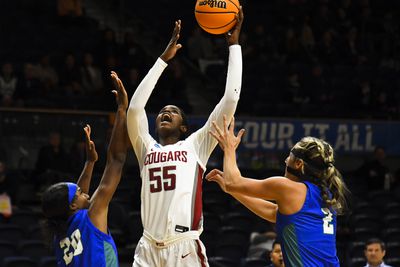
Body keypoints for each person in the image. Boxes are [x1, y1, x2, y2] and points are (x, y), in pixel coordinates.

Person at [126, 8, 243, 267]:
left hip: (184, 249)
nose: (166, 112)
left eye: (174, 112)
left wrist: (234, 46)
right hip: (147, 248)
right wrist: (162, 61)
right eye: (163, 111)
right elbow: (134, 109)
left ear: (184, 128)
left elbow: (231, 98)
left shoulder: (196, 145)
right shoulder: (145, 147)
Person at [206, 116, 349, 266]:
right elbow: (274, 213)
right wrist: (234, 191)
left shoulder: (288, 188)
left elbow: (232, 181)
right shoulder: (326, 192)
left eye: (290, 156)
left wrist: (229, 148)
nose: (286, 160)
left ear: (299, 164)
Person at [41, 71, 129, 267]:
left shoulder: (60, 236)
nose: (85, 193)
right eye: (80, 193)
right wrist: (122, 109)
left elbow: (79, 199)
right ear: (72, 205)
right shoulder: (91, 216)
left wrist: (89, 163)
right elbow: (116, 159)